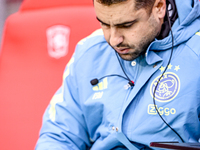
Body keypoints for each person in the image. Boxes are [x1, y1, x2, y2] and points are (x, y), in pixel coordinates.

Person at [35, 0, 200, 149]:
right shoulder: (90, 51)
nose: (113, 40)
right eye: (104, 24)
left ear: (159, 7)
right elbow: (59, 136)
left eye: (126, 25)